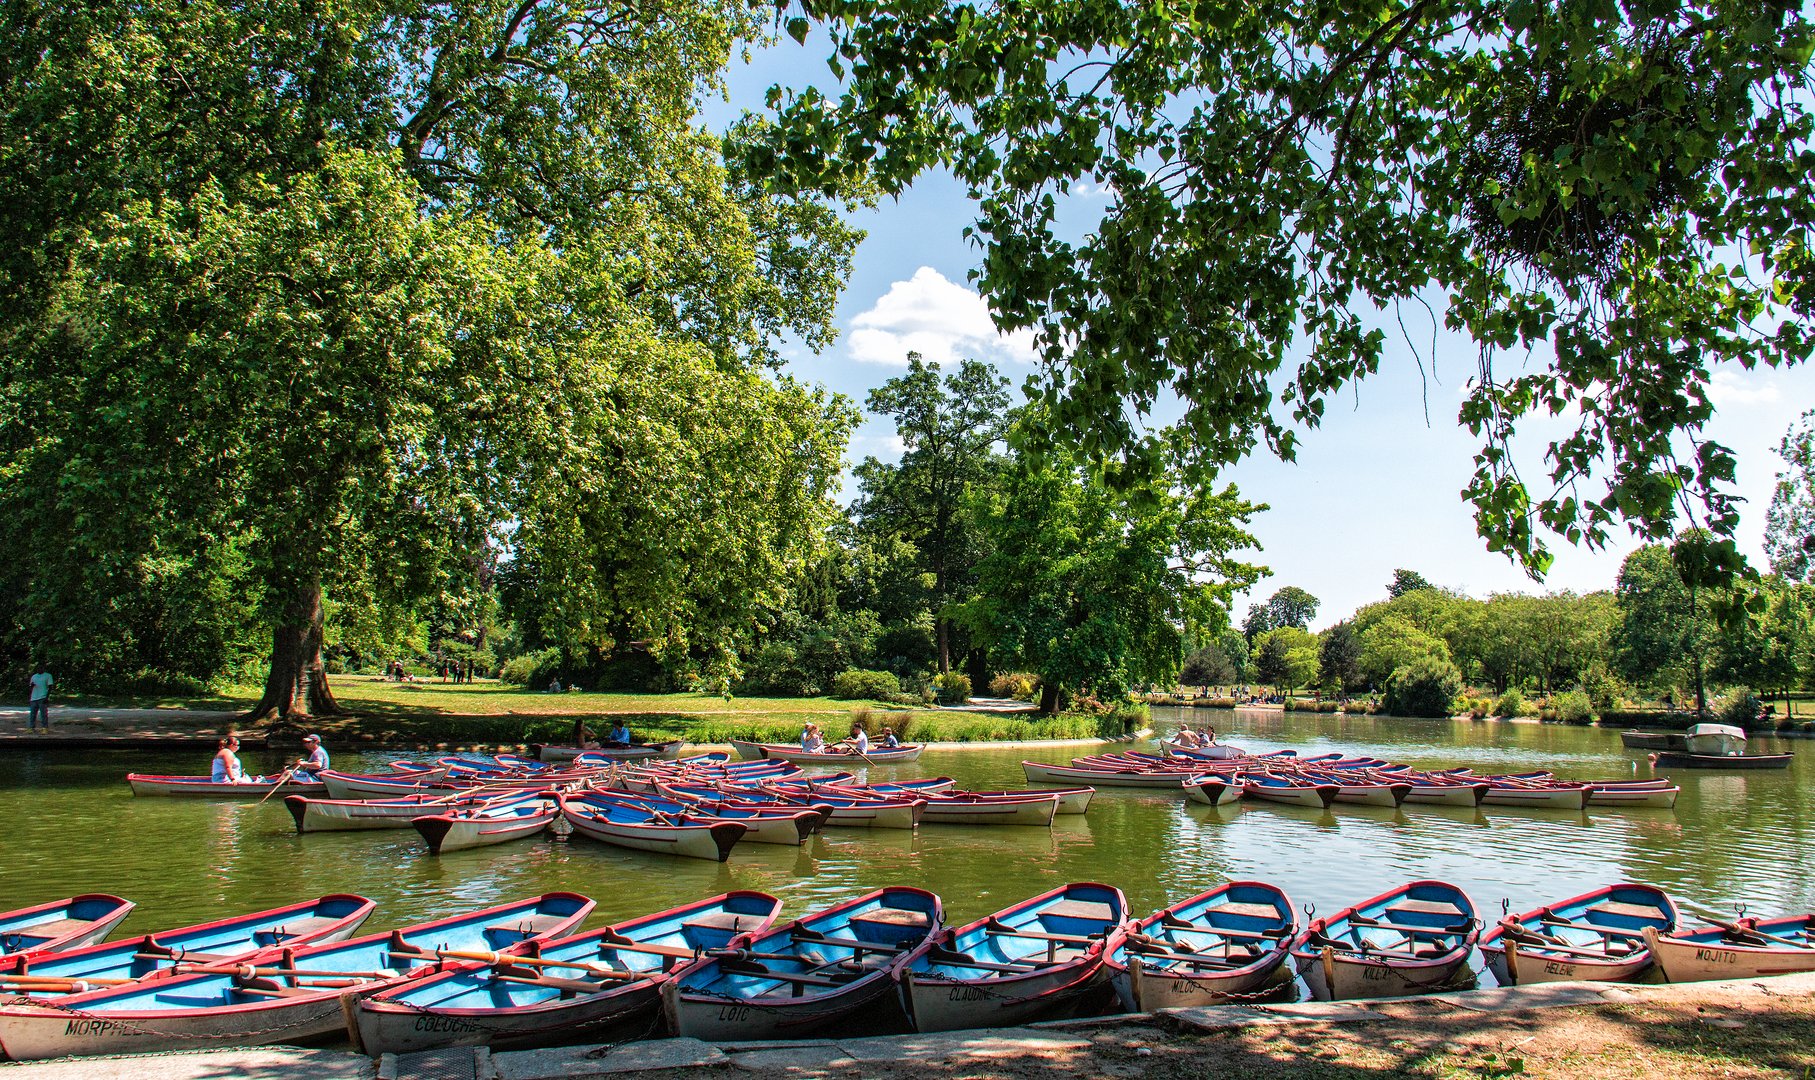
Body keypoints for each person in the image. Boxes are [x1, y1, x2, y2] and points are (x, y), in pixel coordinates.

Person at [26, 665, 52, 731]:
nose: (39, 669)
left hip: (42, 697)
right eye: (38, 668)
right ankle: (31, 728)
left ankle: (44, 728)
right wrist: (31, 687)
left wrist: (47, 697)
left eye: (41, 668)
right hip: (34, 697)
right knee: (32, 714)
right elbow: (30, 687)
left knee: (43, 714)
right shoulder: (34, 676)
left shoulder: (48, 676)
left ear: (43, 668)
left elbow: (50, 687)